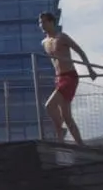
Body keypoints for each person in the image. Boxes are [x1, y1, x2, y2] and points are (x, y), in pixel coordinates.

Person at [38, 12, 97, 145]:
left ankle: (61, 130)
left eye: (44, 22)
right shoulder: (44, 42)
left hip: (69, 76)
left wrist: (90, 70)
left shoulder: (62, 37)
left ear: (51, 22)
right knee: (67, 117)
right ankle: (81, 145)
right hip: (58, 78)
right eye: (40, 23)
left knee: (49, 106)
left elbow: (80, 51)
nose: (41, 25)